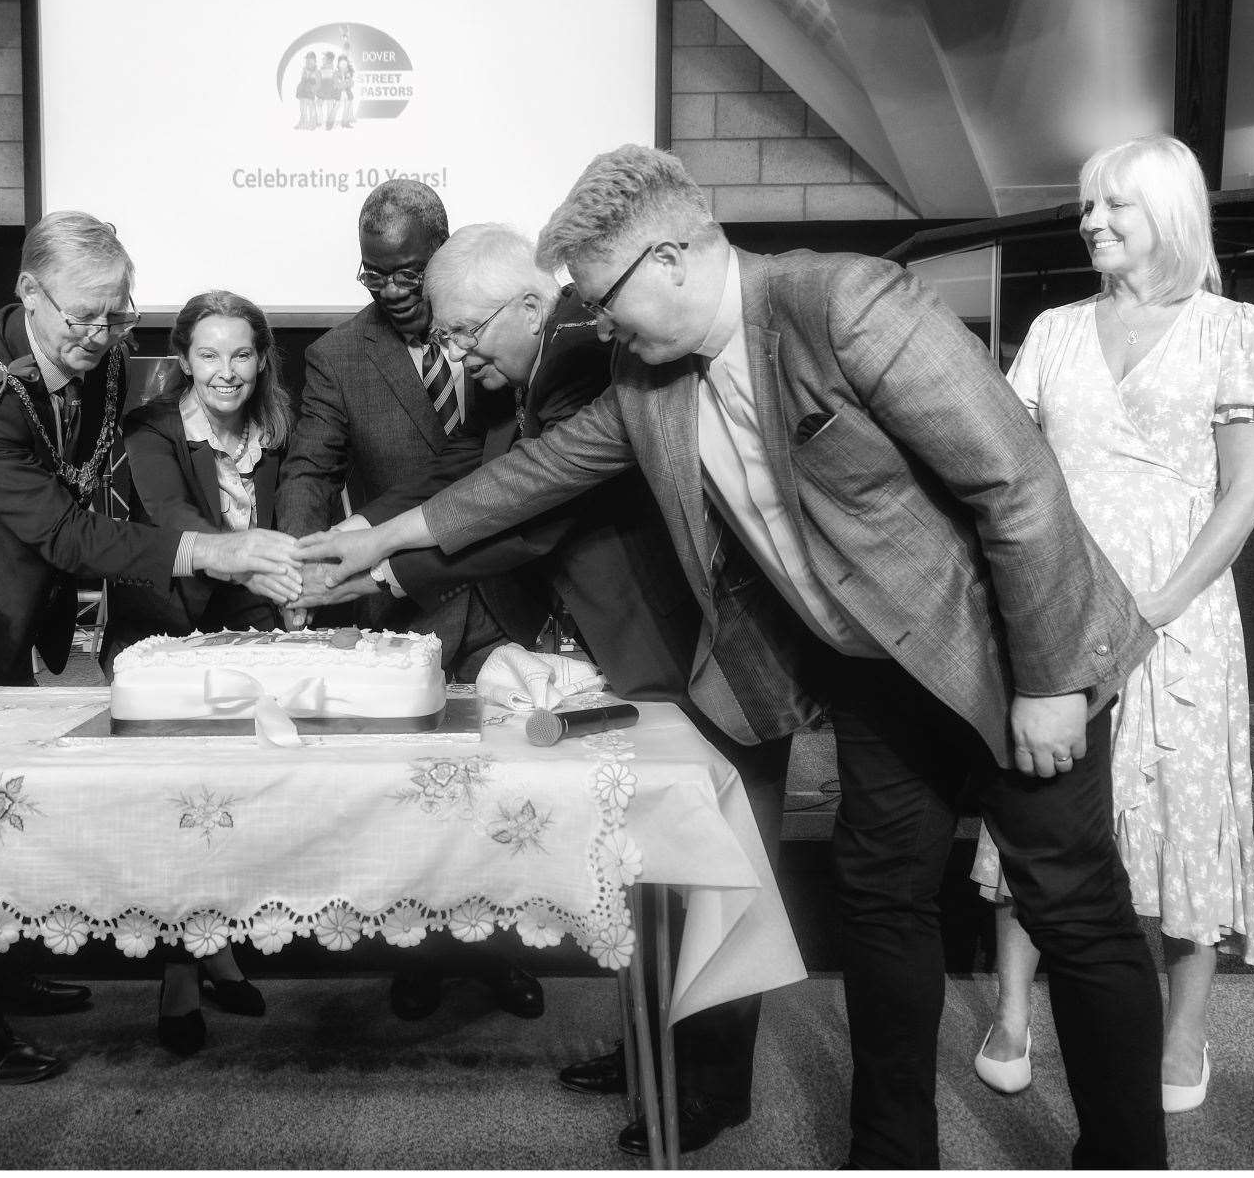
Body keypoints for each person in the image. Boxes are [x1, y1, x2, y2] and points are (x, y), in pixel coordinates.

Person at [297, 145, 1168, 1168]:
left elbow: (1015, 483)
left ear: (670, 257)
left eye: (606, 298)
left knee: (1075, 914)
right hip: (871, 676)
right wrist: (386, 540)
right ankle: (890, 1154)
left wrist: (1054, 681)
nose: (600, 323)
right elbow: (535, 476)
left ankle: (1124, 1158)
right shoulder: (645, 376)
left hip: (1008, 653)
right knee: (884, 909)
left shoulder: (843, 300)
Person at [296, 221, 792, 1156]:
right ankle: (654, 1044)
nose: (457, 355)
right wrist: (356, 528)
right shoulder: (518, 367)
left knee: (722, 875)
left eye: (466, 334)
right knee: (649, 871)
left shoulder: (580, 360)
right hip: (620, 655)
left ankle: (711, 1086)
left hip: (697, 654)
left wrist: (385, 571)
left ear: (528, 306)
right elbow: (463, 477)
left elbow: (532, 513)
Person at [0, 211, 301, 1083]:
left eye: (117, 314)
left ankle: (1, 973)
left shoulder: (97, 346)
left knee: (2, 813)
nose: (101, 335)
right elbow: (64, 528)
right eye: (81, 315)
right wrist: (207, 547)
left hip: (18, 602)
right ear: (28, 293)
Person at [968, 134, 1254, 1113]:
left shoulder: (1231, 326)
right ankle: (1015, 1012)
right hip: (1057, 613)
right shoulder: (1055, 330)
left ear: (1171, 214)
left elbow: (1244, 494)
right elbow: (1012, 474)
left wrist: (1153, 605)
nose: (1091, 222)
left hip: (1180, 618)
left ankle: (1184, 1031)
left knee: (1185, 817)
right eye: (1086, 206)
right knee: (1040, 817)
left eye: (1114, 205)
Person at [275, 181, 547, 1023]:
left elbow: (489, 469)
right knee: (418, 801)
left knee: (506, 791)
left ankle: (504, 951)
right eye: (374, 274)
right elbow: (311, 469)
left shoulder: (497, 331)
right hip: (401, 610)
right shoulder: (337, 357)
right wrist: (299, 559)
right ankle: (420, 953)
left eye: (409, 274)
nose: (394, 292)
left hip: (505, 591)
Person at [97, 289, 301, 1056]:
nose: (227, 372)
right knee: (175, 812)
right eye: (209, 355)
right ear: (184, 360)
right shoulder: (149, 429)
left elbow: (295, 517)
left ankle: (211, 946)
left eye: (242, 354)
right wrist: (260, 564)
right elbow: (172, 520)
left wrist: (295, 584)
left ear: (262, 358)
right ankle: (180, 972)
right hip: (167, 635)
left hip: (249, 634)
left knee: (236, 805)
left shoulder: (280, 429)